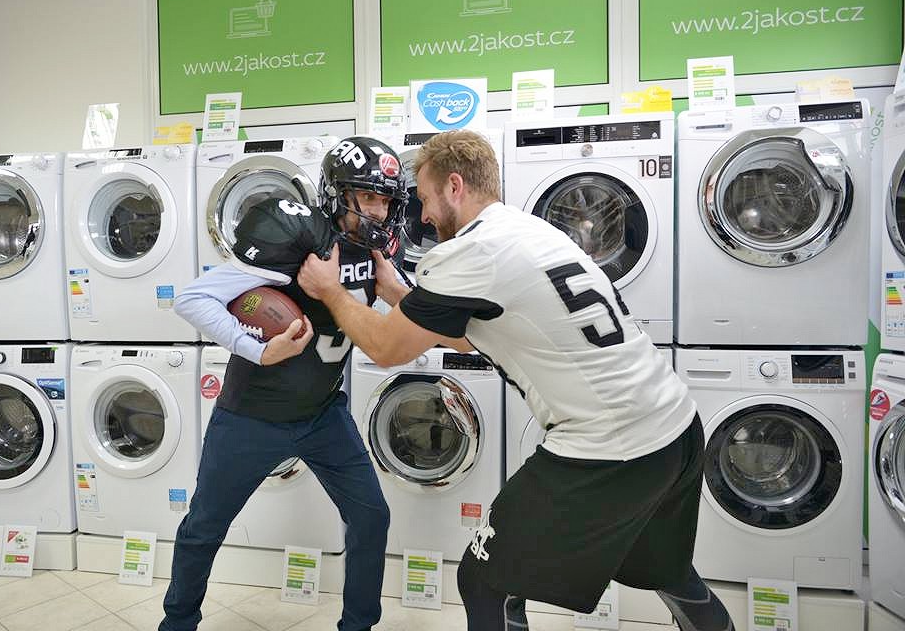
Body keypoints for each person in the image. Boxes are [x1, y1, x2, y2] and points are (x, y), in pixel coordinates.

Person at [297, 129, 735, 631]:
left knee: (485, 581)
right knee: (668, 573)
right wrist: (402, 296)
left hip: (610, 447)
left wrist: (331, 292)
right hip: (675, 429)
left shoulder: (469, 252)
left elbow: (384, 347)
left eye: (425, 199)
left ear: (454, 186)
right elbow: (478, 336)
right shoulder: (528, 230)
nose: (423, 216)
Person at [159, 136, 410, 631]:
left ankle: (358, 625)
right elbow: (194, 299)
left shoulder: (374, 253)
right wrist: (257, 349)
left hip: (323, 413)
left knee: (371, 516)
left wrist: (398, 291)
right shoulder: (300, 240)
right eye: (368, 197)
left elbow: (417, 314)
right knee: (205, 525)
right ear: (338, 195)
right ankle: (177, 623)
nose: (380, 211)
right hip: (251, 416)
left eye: (386, 200)